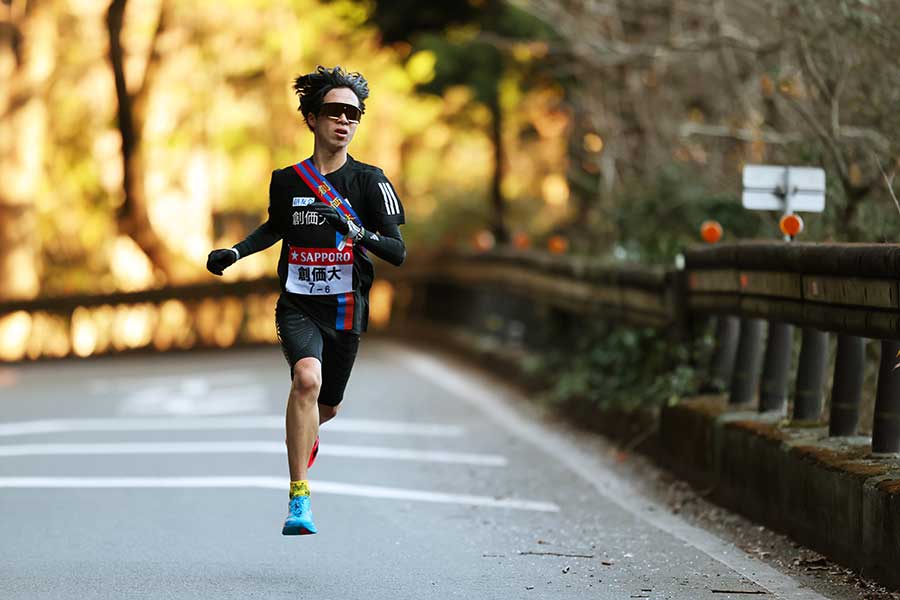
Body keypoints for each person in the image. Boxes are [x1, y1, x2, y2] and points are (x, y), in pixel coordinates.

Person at [206, 66, 406, 536]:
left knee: (327, 405)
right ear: (312, 119)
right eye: (334, 112)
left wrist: (353, 230)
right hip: (297, 302)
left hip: (345, 307)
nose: (344, 121)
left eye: (353, 115)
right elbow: (276, 227)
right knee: (305, 379)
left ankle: (308, 435)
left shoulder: (370, 181)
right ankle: (299, 497)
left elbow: (397, 252)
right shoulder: (288, 180)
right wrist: (235, 251)